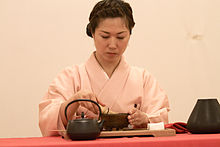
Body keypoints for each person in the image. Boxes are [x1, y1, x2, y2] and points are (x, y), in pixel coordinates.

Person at [39, 0, 170, 137]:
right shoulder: (71, 76)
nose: (113, 45)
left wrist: (145, 120)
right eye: (105, 36)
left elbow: (162, 121)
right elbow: (47, 121)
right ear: (92, 33)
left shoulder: (143, 79)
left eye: (120, 37)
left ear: (129, 34)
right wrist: (74, 102)